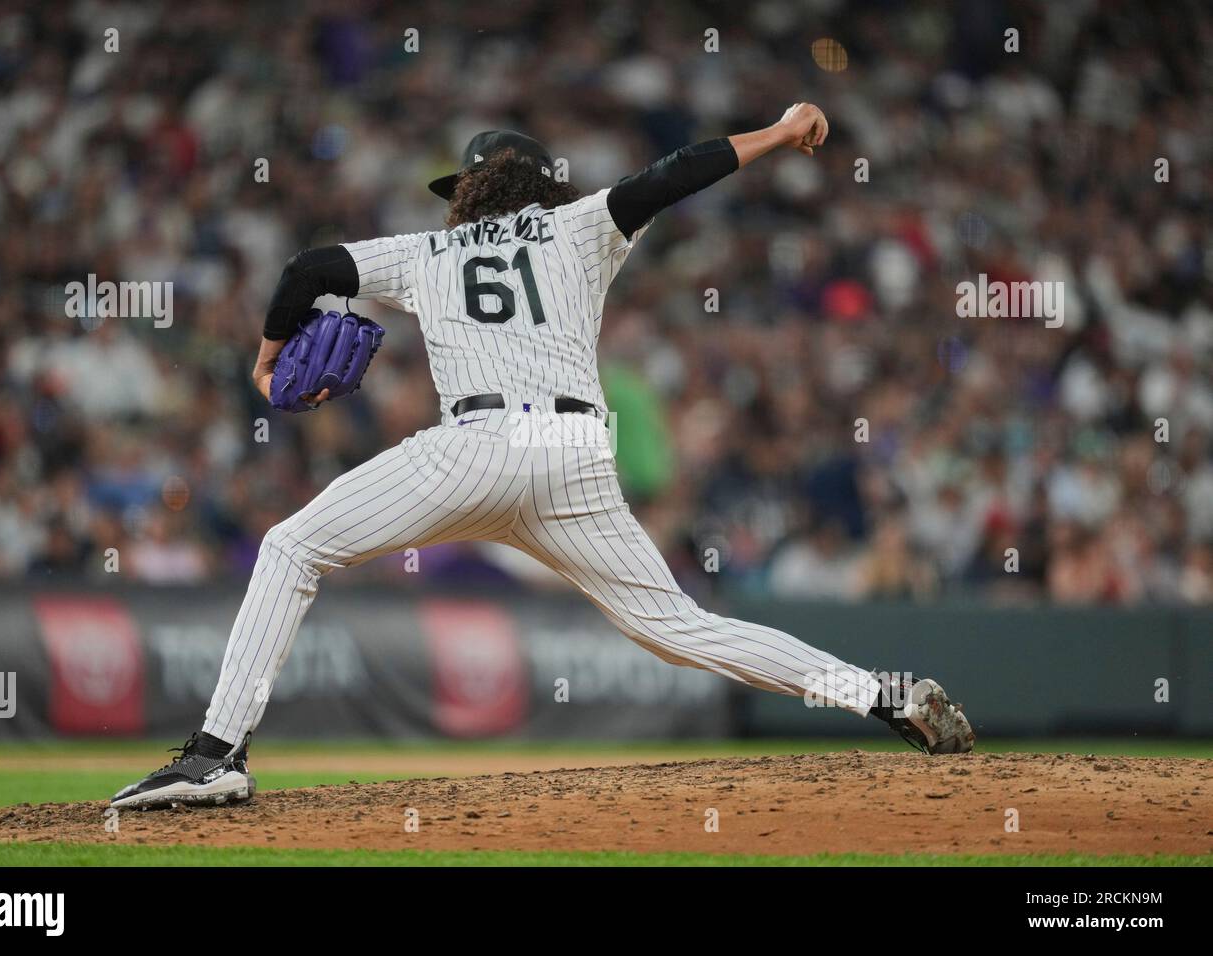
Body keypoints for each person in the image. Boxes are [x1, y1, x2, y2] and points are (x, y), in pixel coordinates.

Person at [111, 105, 974, 810]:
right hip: (573, 454)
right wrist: (780, 131)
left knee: (294, 547)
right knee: (680, 630)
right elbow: (674, 173)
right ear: (537, 185)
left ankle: (218, 754)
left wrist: (267, 360)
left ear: (469, 189)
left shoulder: (423, 252)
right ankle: (882, 692)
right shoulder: (579, 226)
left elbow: (308, 268)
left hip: (475, 448)